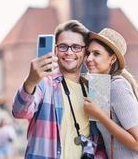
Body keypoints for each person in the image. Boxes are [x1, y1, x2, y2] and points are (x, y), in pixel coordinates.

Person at [12, 20, 106, 159]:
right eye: (63, 46)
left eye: (76, 47)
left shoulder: (96, 89)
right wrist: (31, 80)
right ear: (55, 50)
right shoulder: (44, 83)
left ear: (85, 51)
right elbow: (19, 112)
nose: (69, 52)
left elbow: (102, 141)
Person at [84, 28, 138, 159]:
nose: (89, 58)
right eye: (88, 53)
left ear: (112, 59)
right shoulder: (99, 84)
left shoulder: (118, 87)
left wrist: (99, 115)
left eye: (96, 54)